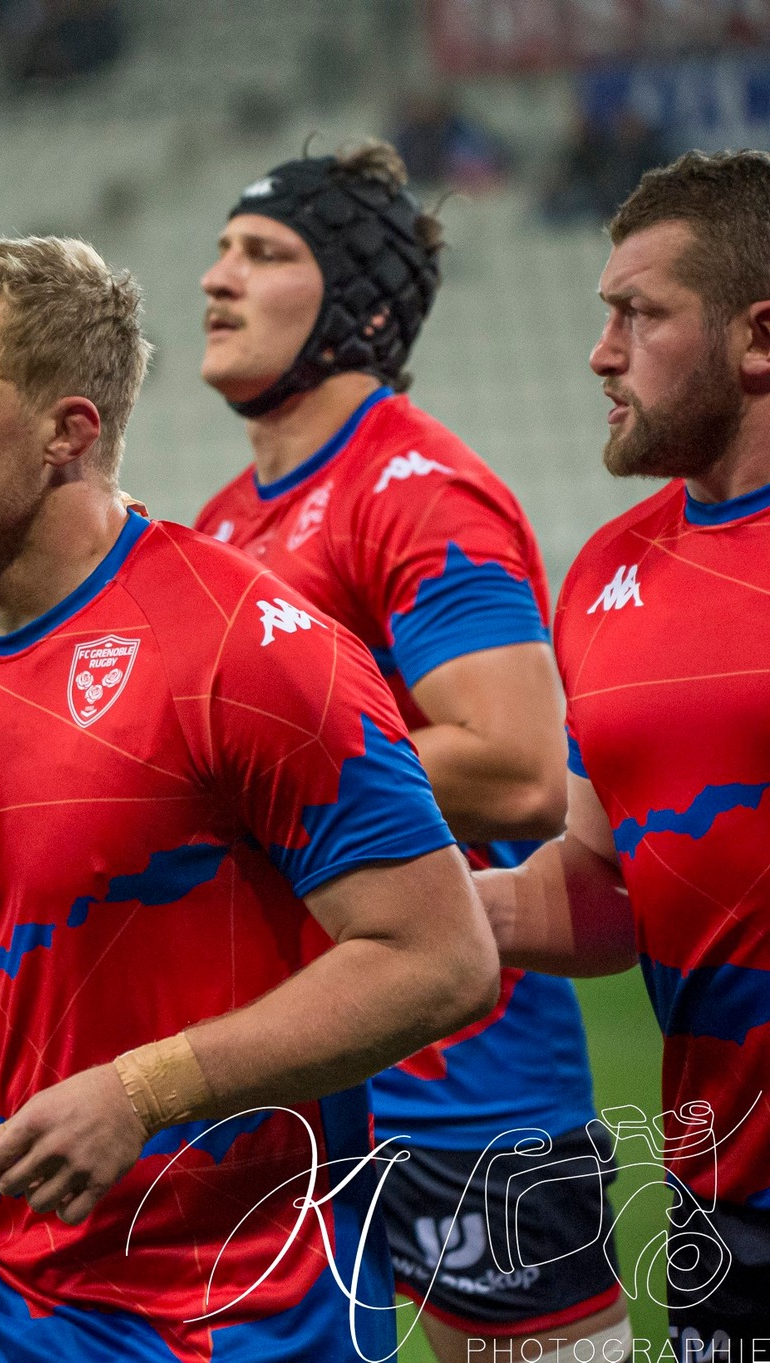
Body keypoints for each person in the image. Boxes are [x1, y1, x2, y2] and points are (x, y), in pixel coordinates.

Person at [0, 234, 502, 1360]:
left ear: (68, 431)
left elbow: (437, 958)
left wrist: (143, 1089)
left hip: (250, 1322)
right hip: (17, 1318)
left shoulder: (247, 647)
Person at [190, 143, 632, 1361]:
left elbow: (516, 762)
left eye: (264, 255)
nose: (215, 279)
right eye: (222, 249)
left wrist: (237, 780)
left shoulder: (418, 490)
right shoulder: (225, 523)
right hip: (290, 1079)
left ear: (357, 307)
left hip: (462, 1086)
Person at [483, 149, 770, 1362]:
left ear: (757, 339)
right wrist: (406, 910)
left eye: (638, 314)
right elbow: (605, 885)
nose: (599, 353)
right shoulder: (604, 573)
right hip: (726, 1200)